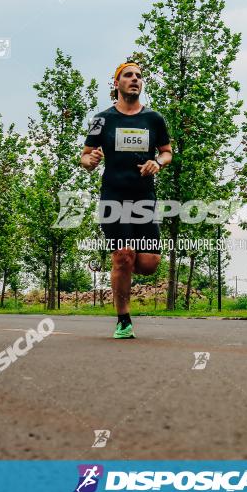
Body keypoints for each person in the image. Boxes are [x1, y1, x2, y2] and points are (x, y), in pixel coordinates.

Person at [80, 61, 172, 339]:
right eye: (128, 75)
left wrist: (157, 162)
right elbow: (85, 155)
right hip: (113, 196)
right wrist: (91, 159)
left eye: (139, 76)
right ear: (116, 83)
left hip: (144, 198)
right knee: (123, 255)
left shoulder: (154, 119)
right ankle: (123, 320)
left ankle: (128, 269)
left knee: (148, 263)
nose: (135, 79)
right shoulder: (102, 119)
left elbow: (167, 152)